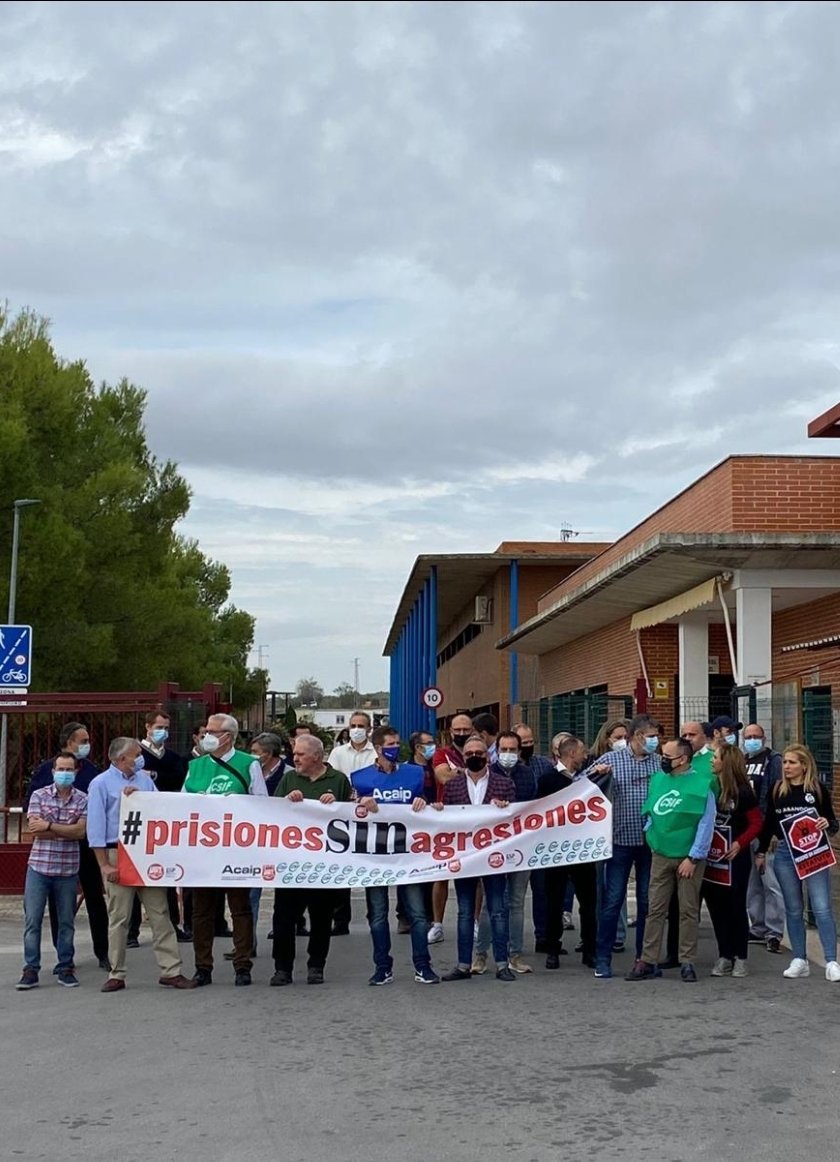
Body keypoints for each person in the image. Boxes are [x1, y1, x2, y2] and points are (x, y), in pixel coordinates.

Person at [87, 738, 195, 992]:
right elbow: (95, 828)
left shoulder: (144, 780)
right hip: (117, 853)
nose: (140, 758)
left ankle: (171, 970)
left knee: (160, 913)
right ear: (120, 759)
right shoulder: (101, 784)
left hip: (145, 853)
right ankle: (117, 972)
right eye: (136, 755)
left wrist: (141, 798)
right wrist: (104, 865)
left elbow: (159, 809)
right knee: (119, 916)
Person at [352, 726, 440, 985]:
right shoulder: (360, 778)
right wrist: (359, 804)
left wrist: (424, 803)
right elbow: (348, 811)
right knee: (377, 914)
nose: (395, 748)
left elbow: (427, 802)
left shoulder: (414, 774)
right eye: (390, 744)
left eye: (397, 743)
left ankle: (423, 965)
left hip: (408, 854)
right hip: (375, 856)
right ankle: (382, 966)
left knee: (417, 913)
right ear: (378, 748)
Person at [184, 713, 267, 987]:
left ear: (228, 736)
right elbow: (179, 804)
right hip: (204, 850)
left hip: (237, 850)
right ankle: (202, 967)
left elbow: (261, 805)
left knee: (240, 908)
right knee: (202, 911)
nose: (206, 735)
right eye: (205, 730)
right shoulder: (195, 766)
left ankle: (243, 965)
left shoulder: (248, 764)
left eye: (212, 731)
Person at [626, 737, 716, 983]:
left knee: (687, 911)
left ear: (683, 759)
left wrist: (694, 856)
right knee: (655, 909)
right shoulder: (658, 780)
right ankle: (647, 960)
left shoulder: (702, 785)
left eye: (668, 756)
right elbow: (652, 812)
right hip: (661, 853)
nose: (663, 760)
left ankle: (687, 961)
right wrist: (651, 836)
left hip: (688, 858)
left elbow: (706, 824)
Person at [27, 721, 110, 971]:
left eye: (88, 741)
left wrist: (64, 827)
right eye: (82, 741)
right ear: (68, 742)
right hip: (54, 851)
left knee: (95, 897)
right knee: (58, 905)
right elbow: (35, 820)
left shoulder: (91, 770)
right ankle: (63, 956)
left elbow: (96, 809)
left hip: (87, 845)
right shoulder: (45, 771)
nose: (87, 745)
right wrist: (61, 829)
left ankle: (103, 953)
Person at [270, 735, 352, 986]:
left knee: (321, 917)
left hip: (323, 863)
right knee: (283, 917)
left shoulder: (338, 780)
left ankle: (316, 965)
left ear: (317, 756)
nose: (295, 758)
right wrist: (286, 801)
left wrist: (336, 805)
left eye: (301, 755)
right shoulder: (289, 778)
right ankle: (282, 968)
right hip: (292, 862)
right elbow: (270, 813)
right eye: (294, 754)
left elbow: (350, 814)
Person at [756, 744, 840, 981]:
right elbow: (769, 824)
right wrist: (761, 852)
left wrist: (826, 824)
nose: (787, 766)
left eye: (792, 762)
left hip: (814, 852)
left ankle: (831, 961)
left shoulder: (816, 790)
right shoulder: (777, 790)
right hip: (785, 853)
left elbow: (832, 822)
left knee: (822, 907)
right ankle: (799, 959)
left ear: (804, 765)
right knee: (793, 908)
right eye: (785, 762)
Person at [440, 736, 516, 983]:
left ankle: (502, 964)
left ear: (488, 756)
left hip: (494, 857)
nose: (474, 756)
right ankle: (463, 964)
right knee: (464, 912)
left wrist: (505, 807)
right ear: (463, 757)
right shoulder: (452, 787)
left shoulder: (504, 784)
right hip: (465, 857)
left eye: (479, 753)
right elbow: (445, 822)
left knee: (498, 910)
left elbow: (518, 818)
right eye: (470, 752)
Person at [592, 714, 662, 979]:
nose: (655, 741)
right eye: (650, 736)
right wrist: (596, 776)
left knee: (647, 903)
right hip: (619, 841)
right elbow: (581, 787)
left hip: (650, 844)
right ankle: (602, 958)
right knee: (612, 901)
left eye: (657, 736)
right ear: (635, 737)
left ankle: (644, 959)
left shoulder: (659, 763)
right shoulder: (610, 760)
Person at [16, 752, 88, 990]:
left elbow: (80, 833)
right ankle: (30, 969)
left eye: (69, 769)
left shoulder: (83, 799)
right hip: (39, 867)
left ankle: (65, 966)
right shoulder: (39, 795)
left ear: (76, 772)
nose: (65, 773)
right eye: (61, 769)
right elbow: (35, 830)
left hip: (67, 870)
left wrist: (49, 825)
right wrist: (63, 829)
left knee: (66, 921)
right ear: (53, 771)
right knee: (33, 921)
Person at [473, 730, 538, 974]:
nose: (508, 754)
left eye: (513, 750)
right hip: (494, 848)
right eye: (504, 750)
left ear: (519, 752)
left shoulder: (527, 774)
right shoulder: (488, 774)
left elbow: (532, 806)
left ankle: (516, 954)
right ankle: (480, 955)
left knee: (517, 902)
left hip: (522, 846)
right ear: (496, 751)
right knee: (492, 903)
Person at [538, 735, 598, 970]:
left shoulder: (587, 780)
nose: (586, 756)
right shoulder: (548, 779)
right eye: (582, 752)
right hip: (557, 850)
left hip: (584, 849)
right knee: (554, 901)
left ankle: (590, 949)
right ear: (571, 754)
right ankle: (553, 948)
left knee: (588, 902)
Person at [702, 745, 763, 978]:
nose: (711, 761)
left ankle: (741, 956)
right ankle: (724, 954)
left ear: (726, 762)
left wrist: (740, 843)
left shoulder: (743, 792)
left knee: (735, 906)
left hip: (735, 858)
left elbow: (756, 823)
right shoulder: (711, 788)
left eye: (715, 758)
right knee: (716, 907)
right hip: (713, 857)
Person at [138, 709, 189, 943]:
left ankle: (172, 925)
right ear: (148, 727)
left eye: (166, 728)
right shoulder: (136, 754)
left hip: (166, 822)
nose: (163, 732)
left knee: (167, 875)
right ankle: (131, 931)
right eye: (159, 727)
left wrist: (155, 776)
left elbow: (177, 780)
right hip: (140, 822)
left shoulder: (172, 757)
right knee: (135, 877)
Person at [427, 711, 474, 944]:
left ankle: (474, 923)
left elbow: (485, 774)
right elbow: (443, 777)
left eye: (466, 730)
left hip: (474, 821)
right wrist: (466, 771)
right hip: (445, 819)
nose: (462, 734)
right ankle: (437, 924)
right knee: (441, 873)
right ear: (451, 731)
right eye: (458, 730)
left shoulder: (478, 750)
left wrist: (458, 771)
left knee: (476, 873)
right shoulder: (441, 753)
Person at [327, 711, 375, 935]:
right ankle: (340, 919)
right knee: (342, 867)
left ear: (369, 729)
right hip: (342, 816)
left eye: (361, 725)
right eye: (353, 725)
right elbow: (332, 778)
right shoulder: (337, 753)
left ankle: (375, 914)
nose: (356, 729)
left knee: (373, 867)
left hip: (371, 817)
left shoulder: (376, 754)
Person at [742, 724, 784, 953]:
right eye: (748, 737)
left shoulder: (773, 760)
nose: (752, 740)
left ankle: (774, 931)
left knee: (771, 882)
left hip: (766, 828)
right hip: (747, 828)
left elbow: (778, 794)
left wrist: (775, 831)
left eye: (756, 736)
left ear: (764, 737)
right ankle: (757, 926)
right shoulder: (743, 760)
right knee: (752, 883)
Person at [513, 722, 555, 952]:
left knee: (542, 891)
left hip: (540, 838)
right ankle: (511, 942)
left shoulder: (544, 764)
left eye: (531, 742)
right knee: (514, 896)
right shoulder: (505, 767)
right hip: (515, 840)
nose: (528, 746)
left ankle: (543, 937)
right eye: (523, 743)